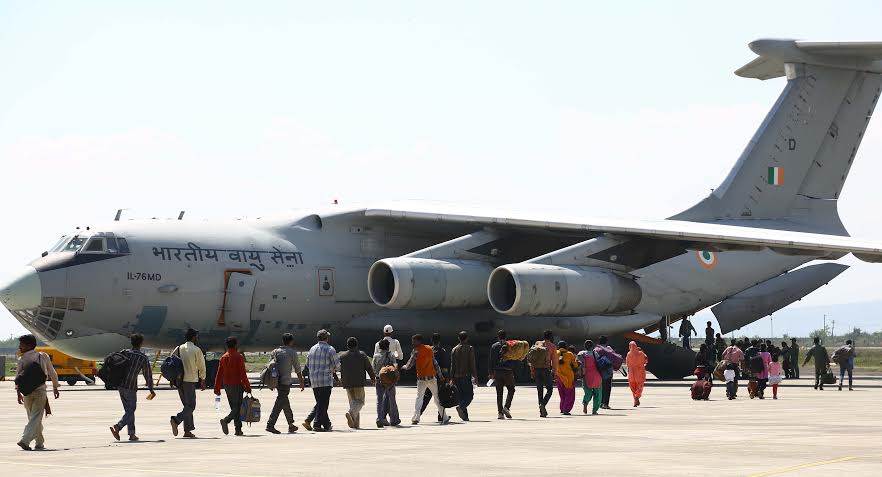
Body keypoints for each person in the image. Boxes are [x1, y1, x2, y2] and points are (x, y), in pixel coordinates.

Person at [15, 334, 60, 451]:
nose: (20, 347)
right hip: (40, 391)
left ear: (29, 346)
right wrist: (55, 386)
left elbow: (18, 378)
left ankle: (39, 443)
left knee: (33, 418)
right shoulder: (43, 356)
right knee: (35, 418)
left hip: (26, 392)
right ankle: (26, 440)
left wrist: (18, 393)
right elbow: (52, 372)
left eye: (21, 345)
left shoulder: (22, 359)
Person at [109, 333, 155, 442]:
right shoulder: (142, 357)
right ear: (141, 343)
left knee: (128, 410)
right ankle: (118, 426)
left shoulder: (125, 353)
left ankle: (132, 434)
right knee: (131, 411)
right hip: (131, 386)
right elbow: (147, 374)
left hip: (121, 385)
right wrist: (151, 389)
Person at [401, 334, 450, 425]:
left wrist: (403, 367)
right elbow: (435, 364)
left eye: (414, 341)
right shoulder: (429, 349)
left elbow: (409, 364)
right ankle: (444, 417)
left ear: (419, 341)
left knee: (419, 398)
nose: (412, 343)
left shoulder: (416, 351)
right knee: (437, 398)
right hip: (432, 378)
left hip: (422, 379)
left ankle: (416, 418)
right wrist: (440, 376)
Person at [170, 328, 206, 438]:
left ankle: (187, 431)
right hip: (189, 381)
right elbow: (201, 365)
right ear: (194, 337)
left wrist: (172, 379)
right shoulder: (196, 350)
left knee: (187, 406)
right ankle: (176, 420)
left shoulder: (179, 348)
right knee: (191, 406)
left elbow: (171, 362)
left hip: (179, 381)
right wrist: (203, 379)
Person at [266, 333, 305, 434]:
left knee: (284, 402)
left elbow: (269, 367)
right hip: (285, 382)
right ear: (291, 341)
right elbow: (297, 369)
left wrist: (271, 382)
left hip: (276, 382)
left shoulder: (275, 351)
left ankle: (291, 425)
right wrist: (301, 381)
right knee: (279, 403)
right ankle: (270, 424)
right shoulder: (292, 352)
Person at [303, 329, 340, 432]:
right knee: (323, 404)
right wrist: (333, 369)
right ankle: (316, 424)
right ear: (326, 338)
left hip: (314, 381)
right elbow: (337, 365)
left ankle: (326, 424)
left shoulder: (312, 349)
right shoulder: (330, 349)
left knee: (320, 403)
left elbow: (307, 364)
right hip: (325, 380)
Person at [214, 336, 251, 436]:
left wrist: (217, 387)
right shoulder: (238, 357)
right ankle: (226, 420)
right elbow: (243, 374)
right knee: (237, 407)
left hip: (227, 386)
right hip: (237, 385)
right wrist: (248, 387)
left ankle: (238, 429)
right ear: (235, 345)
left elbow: (219, 374)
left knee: (234, 408)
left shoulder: (223, 357)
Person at [338, 337, 376, 429]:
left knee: (353, 403)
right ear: (357, 345)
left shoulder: (342, 356)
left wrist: (339, 379)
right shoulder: (362, 355)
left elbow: (338, 368)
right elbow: (369, 368)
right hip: (359, 382)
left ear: (347, 345)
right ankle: (350, 413)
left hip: (347, 383)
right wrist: (373, 378)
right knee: (360, 402)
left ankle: (355, 424)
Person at [449, 331, 478, 421]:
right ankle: (461, 407)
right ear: (467, 338)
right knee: (469, 396)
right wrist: (475, 376)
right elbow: (472, 364)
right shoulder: (470, 348)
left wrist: (452, 378)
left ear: (458, 338)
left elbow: (452, 365)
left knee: (461, 397)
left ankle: (465, 416)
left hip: (456, 376)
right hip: (465, 376)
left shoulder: (454, 349)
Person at [419, 333, 448, 421]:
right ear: (439, 341)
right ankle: (441, 416)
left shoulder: (428, 350)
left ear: (431, 340)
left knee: (426, 397)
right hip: (439, 377)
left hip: (429, 375)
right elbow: (444, 366)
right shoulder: (442, 351)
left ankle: (418, 413)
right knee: (440, 397)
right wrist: (446, 378)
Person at [528, 330, 557, 418]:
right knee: (550, 390)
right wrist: (554, 372)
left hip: (537, 369)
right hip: (546, 370)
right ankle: (543, 404)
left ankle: (541, 412)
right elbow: (554, 361)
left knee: (539, 391)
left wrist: (532, 371)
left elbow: (532, 359)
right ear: (551, 337)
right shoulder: (552, 346)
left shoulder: (537, 344)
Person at [488, 330, 516, 419]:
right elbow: (514, 358)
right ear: (505, 337)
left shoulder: (494, 346)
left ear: (498, 336)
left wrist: (491, 373)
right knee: (511, 389)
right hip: (508, 371)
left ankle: (500, 413)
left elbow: (491, 360)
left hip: (497, 372)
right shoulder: (510, 345)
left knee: (499, 393)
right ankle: (506, 407)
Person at [372, 338, 400, 427]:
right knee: (392, 399)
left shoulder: (376, 356)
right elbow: (395, 365)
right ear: (388, 347)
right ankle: (394, 419)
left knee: (379, 400)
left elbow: (373, 368)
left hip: (379, 379)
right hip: (389, 381)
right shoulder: (391, 354)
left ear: (379, 347)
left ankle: (379, 419)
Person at [577, 340, 603, 415]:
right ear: (592, 346)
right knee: (597, 393)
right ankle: (594, 410)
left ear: (584, 346)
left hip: (586, 375)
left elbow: (578, 363)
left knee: (587, 392)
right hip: (596, 375)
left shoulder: (581, 354)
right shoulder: (595, 354)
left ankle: (585, 403)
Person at [595, 336, 618, 409]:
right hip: (608, 371)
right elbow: (614, 358)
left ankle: (600, 403)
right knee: (607, 388)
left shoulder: (596, 349)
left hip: (599, 371)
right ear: (606, 342)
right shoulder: (609, 349)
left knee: (600, 388)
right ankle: (605, 404)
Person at [555, 340, 578, 415]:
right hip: (569, 377)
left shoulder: (555, 353)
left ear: (558, 347)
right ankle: (566, 409)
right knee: (569, 394)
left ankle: (562, 408)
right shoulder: (570, 354)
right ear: (566, 346)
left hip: (559, 377)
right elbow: (575, 365)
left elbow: (552, 364)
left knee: (562, 394)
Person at [626, 341, 647, 407]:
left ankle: (635, 399)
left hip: (631, 374)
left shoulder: (628, 354)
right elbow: (646, 361)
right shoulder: (641, 353)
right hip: (640, 373)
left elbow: (627, 364)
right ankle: (637, 397)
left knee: (633, 387)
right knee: (639, 386)